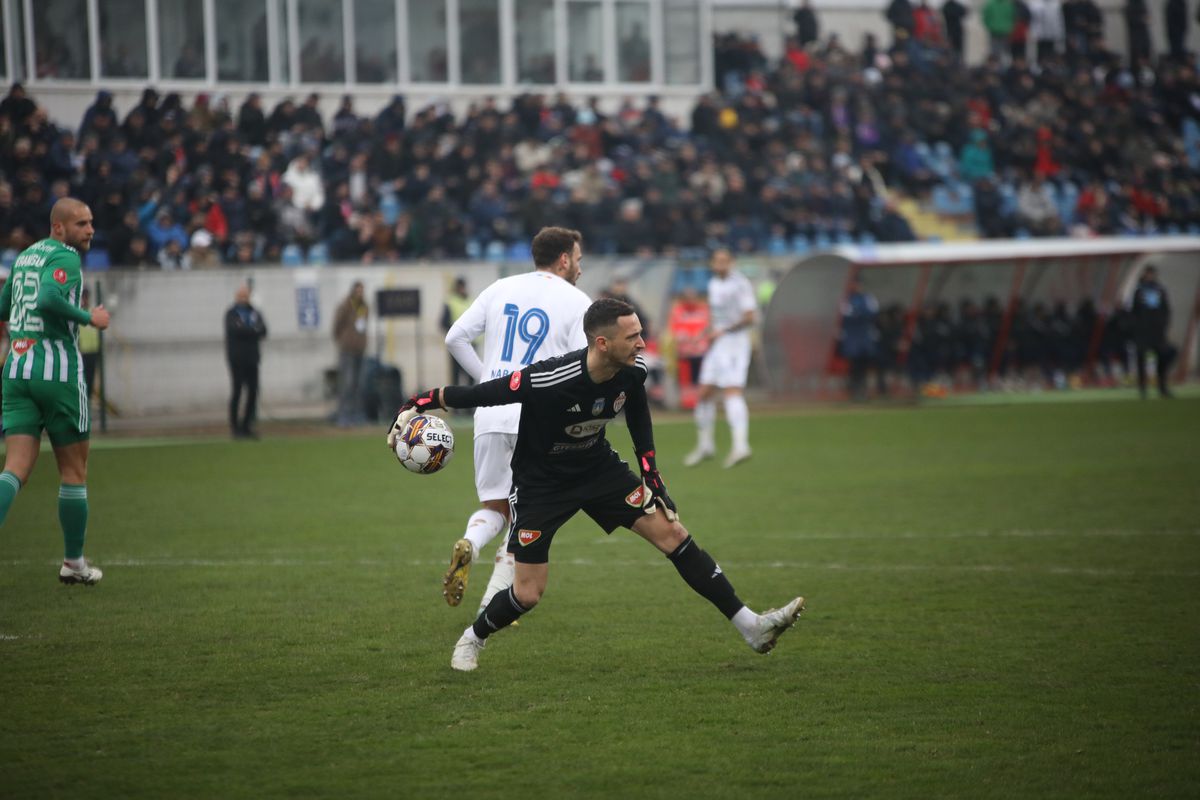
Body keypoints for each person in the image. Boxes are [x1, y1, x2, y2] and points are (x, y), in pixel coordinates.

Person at [388, 298, 805, 671]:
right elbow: (483, 393)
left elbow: (638, 410)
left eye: (641, 333)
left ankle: (752, 626)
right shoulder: (550, 379)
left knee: (673, 534)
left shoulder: (633, 369)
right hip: (542, 485)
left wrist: (651, 472)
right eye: (633, 336)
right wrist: (417, 403)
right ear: (602, 344)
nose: (643, 343)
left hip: (597, 469)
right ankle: (472, 638)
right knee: (529, 594)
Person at [440, 227, 593, 614]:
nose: (580, 267)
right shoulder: (577, 301)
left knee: (495, 506)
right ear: (563, 259)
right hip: (538, 421)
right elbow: (583, 368)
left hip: (491, 412)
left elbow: (454, 338)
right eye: (578, 259)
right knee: (527, 518)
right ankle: (489, 611)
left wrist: (490, 383)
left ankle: (470, 545)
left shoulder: (500, 288)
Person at [0, 198, 111, 585]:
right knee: (74, 470)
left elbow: (4, 305)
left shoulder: (26, 256)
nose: (90, 230)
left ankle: (74, 564)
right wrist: (89, 318)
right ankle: (74, 563)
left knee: (14, 469)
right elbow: (48, 298)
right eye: (81, 223)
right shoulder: (65, 258)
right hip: (56, 372)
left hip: (16, 368)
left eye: (91, 222)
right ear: (59, 228)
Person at [684, 248, 757, 469]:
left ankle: (741, 445)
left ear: (732, 262)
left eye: (725, 261)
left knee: (732, 392)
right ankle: (706, 445)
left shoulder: (740, 284)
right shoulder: (714, 283)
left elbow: (750, 317)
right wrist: (704, 332)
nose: (720, 264)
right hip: (718, 344)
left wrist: (723, 331)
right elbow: (718, 318)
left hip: (735, 344)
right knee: (704, 393)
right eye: (716, 261)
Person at [225, 283, 268, 438]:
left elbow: (263, 330)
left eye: (246, 296)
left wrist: (250, 330)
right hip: (237, 358)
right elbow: (236, 330)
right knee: (237, 391)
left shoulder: (255, 312)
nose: (243, 298)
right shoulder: (231, 313)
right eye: (241, 296)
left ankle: (247, 426)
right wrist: (252, 330)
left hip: (252, 358)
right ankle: (235, 427)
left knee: (252, 392)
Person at [1130, 266, 1175, 399]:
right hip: (1143, 332)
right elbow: (1134, 311)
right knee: (1141, 359)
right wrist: (1137, 328)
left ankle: (1162, 387)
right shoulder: (1138, 291)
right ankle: (1143, 389)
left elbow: (1166, 309)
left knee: (1164, 356)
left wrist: (1163, 325)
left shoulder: (1160, 290)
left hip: (1157, 332)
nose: (1150, 276)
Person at [839, 276, 880, 401]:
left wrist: (858, 314)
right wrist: (860, 314)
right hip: (852, 336)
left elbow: (872, 313)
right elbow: (846, 315)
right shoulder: (845, 299)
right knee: (854, 364)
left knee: (865, 363)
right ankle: (854, 390)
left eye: (857, 284)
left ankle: (863, 390)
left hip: (865, 336)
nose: (856, 287)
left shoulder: (867, 297)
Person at [333, 281, 369, 426]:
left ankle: (356, 414)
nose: (361, 293)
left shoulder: (365, 307)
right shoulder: (345, 306)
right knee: (346, 383)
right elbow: (336, 326)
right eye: (358, 290)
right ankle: (344, 415)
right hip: (347, 349)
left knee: (358, 384)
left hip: (360, 349)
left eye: (362, 290)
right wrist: (343, 341)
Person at [440, 277, 474, 389]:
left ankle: (470, 403)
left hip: (471, 344)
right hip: (457, 345)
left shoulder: (471, 301)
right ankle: (455, 404)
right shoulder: (450, 301)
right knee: (456, 375)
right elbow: (443, 322)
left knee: (470, 374)